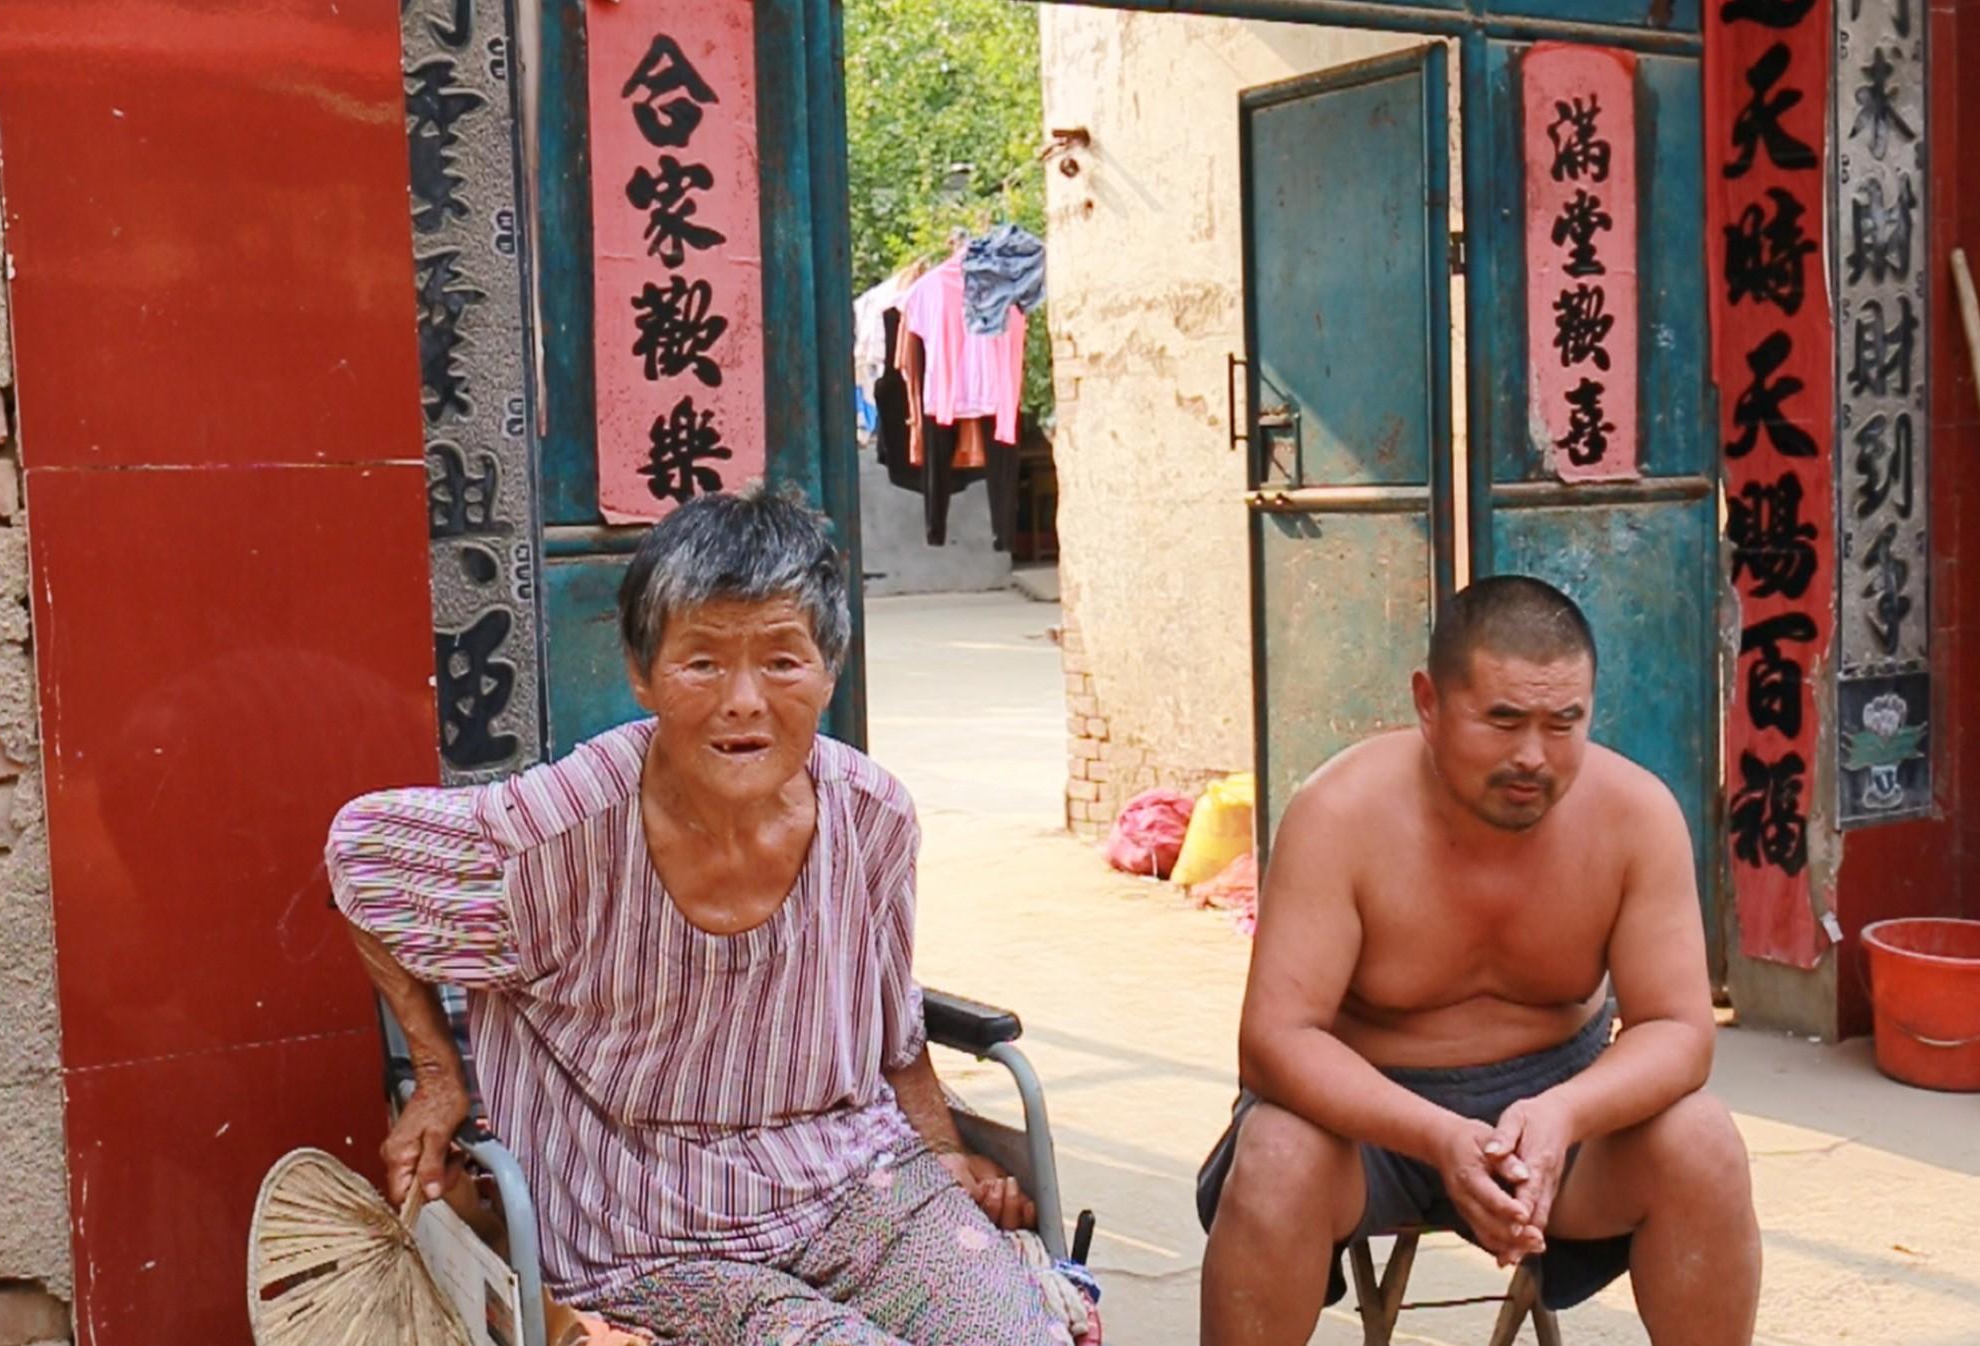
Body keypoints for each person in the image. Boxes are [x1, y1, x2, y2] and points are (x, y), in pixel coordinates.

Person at [327, 487, 1072, 1346]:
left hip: (854, 1180)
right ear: (643, 675)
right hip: (649, 1220)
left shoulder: (873, 815)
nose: (744, 700)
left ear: (830, 671)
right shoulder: (566, 827)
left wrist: (944, 1156)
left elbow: (892, 1030)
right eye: (704, 662)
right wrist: (439, 1074)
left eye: (783, 661)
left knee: (1021, 1335)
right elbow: (360, 856)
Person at [1196, 575, 1760, 1346]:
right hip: (1371, 1118)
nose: (1534, 756)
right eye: (1502, 720)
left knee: (1703, 1140)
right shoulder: (1340, 812)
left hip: (1557, 1110)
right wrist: (1435, 1134)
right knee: (1276, 1153)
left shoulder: (1636, 816)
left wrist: (1564, 1113)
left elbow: (1681, 1030)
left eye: (1565, 723)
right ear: (1428, 703)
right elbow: (1275, 1041)